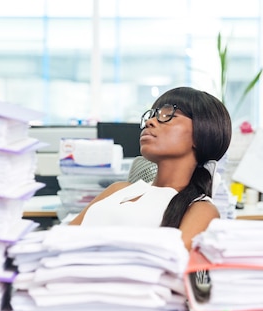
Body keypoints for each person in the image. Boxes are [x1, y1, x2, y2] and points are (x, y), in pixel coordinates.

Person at [69, 86, 232, 251]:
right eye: (152, 115)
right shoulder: (117, 189)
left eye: (168, 115)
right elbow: (60, 239)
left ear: (201, 134)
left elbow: (172, 264)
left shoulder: (200, 209)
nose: (150, 121)